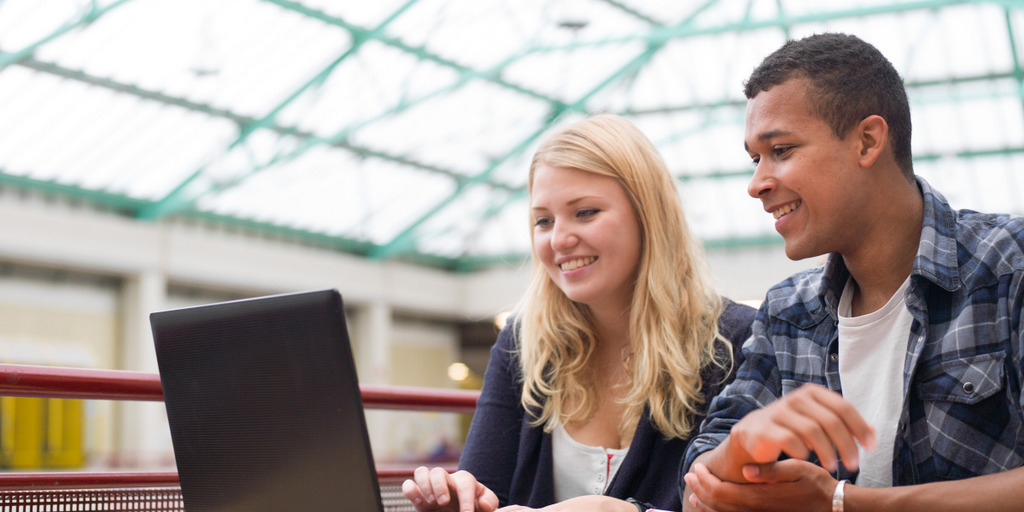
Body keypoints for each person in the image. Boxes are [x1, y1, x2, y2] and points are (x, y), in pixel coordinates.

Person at [681, 32, 1024, 512]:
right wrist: (739, 449)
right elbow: (697, 487)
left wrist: (843, 502)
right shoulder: (787, 313)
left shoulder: (1009, 267)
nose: (757, 183)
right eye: (755, 158)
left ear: (867, 141)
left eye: (780, 150)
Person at [402, 113, 756, 512]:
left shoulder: (735, 341)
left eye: (585, 212)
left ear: (648, 215)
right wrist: (458, 498)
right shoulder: (522, 344)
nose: (560, 239)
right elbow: (485, 487)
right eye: (543, 221)